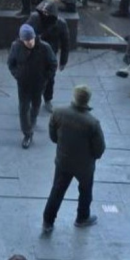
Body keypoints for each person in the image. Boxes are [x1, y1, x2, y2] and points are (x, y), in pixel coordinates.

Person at [41, 85, 105, 233]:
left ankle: (48, 221)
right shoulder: (92, 123)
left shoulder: (59, 112)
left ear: (74, 97)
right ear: (87, 100)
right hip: (84, 165)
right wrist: (92, 157)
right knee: (85, 191)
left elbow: (53, 136)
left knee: (57, 190)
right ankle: (82, 217)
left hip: (63, 161)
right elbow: (99, 149)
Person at [7, 24, 58, 149]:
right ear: (21, 40)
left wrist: (46, 77)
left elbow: (53, 63)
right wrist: (18, 75)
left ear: (34, 37)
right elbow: (11, 63)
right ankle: (27, 133)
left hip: (38, 84)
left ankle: (32, 121)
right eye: (26, 40)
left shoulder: (45, 48)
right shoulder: (16, 47)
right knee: (23, 108)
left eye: (31, 39)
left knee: (35, 106)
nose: (29, 42)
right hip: (23, 84)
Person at [25, 1, 70, 112]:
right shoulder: (34, 19)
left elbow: (65, 43)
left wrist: (63, 61)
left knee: (50, 79)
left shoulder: (61, 24)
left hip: (50, 56)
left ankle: (48, 99)